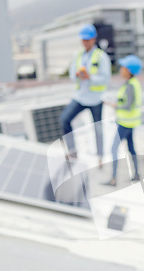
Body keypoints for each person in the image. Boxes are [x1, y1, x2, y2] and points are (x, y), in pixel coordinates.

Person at [60, 24, 112, 166]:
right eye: (83, 39)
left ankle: (100, 157)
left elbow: (106, 78)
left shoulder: (102, 56)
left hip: (95, 99)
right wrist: (78, 75)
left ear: (94, 39)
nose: (85, 42)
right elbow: (72, 76)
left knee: (98, 129)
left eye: (88, 39)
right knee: (64, 119)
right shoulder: (78, 55)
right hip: (80, 97)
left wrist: (90, 78)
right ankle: (72, 150)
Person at [104, 55, 143, 186]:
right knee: (131, 149)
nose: (121, 69)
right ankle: (136, 174)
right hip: (130, 122)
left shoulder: (130, 86)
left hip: (125, 123)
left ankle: (113, 179)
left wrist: (114, 105)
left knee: (113, 148)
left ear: (129, 70)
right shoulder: (132, 83)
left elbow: (128, 105)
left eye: (123, 67)